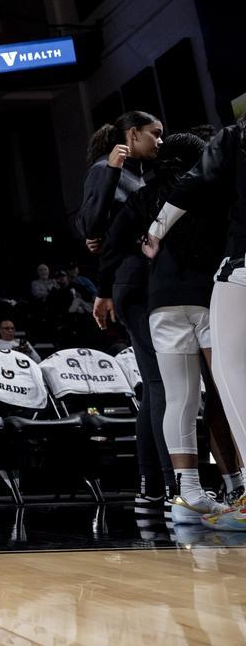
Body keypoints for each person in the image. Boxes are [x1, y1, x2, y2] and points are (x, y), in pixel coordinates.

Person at [142, 120, 246, 529]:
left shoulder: (146, 195)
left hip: (163, 303)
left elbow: (105, 239)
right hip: (206, 298)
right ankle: (236, 485)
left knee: (180, 398)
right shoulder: (220, 192)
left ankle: (187, 495)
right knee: (224, 391)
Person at [79, 110, 171, 514]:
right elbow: (91, 225)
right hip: (132, 284)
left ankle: (155, 484)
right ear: (131, 135)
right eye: (155, 134)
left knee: (157, 388)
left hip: (144, 281)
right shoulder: (107, 168)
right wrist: (114, 170)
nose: (160, 141)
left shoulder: (140, 172)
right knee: (160, 385)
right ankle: (171, 484)